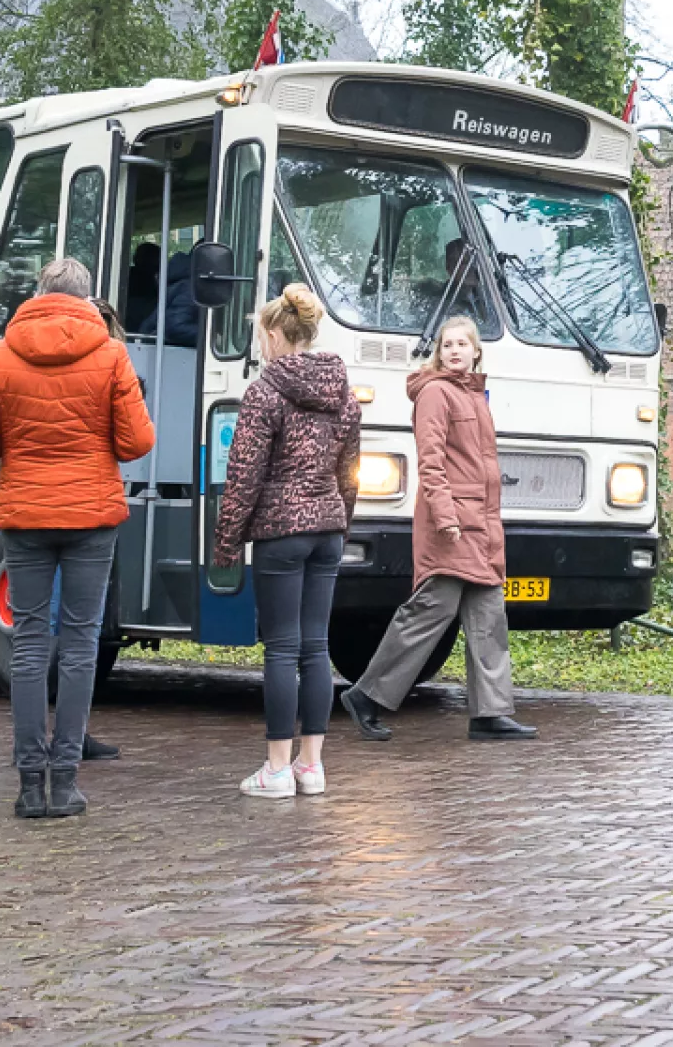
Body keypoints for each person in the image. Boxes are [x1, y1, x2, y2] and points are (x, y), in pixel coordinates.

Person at [0, 257, 154, 819]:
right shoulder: (111, 353)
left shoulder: (0, 354)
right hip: (92, 515)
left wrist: (19, 449)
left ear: (38, 294)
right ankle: (65, 783)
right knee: (79, 644)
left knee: (28, 646)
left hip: (24, 515)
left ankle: (28, 784)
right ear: (87, 299)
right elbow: (137, 440)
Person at [341, 316, 537, 743]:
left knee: (489, 615)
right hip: (452, 524)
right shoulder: (435, 393)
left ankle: (490, 713)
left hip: (480, 525)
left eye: (461, 344)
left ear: (476, 351)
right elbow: (430, 462)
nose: (453, 351)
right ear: (439, 352)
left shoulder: (475, 396)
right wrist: (446, 516)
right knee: (431, 610)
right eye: (447, 345)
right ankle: (367, 695)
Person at [212, 284, 362, 798]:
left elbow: (244, 475)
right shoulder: (342, 391)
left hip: (281, 531)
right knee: (316, 646)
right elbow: (350, 470)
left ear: (276, 335)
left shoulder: (265, 391)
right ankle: (311, 766)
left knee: (281, 649)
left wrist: (226, 542)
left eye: (262, 335)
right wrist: (342, 520)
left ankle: (275, 769)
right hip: (326, 529)